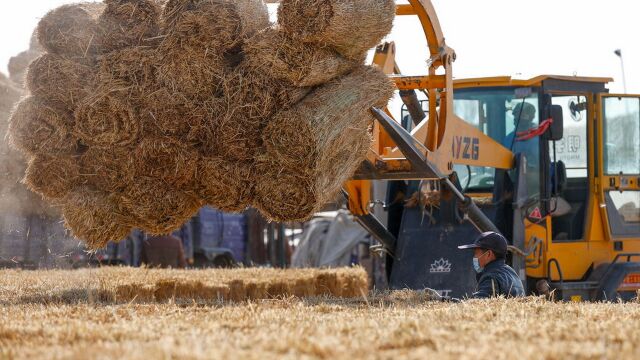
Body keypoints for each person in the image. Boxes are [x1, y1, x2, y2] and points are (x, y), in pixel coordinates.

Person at [458, 231, 525, 298]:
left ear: (488, 254)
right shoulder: (512, 273)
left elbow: (480, 303)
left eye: (476, 253)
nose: (474, 257)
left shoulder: (491, 277)